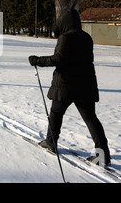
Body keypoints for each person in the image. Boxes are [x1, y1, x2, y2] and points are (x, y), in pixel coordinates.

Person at [28, 9, 111, 166]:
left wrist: (37, 60)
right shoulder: (87, 38)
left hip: (66, 84)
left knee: (56, 113)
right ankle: (103, 154)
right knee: (91, 118)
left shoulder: (65, 37)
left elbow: (59, 59)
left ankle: (51, 143)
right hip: (86, 85)